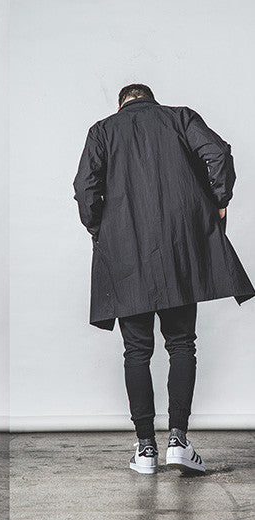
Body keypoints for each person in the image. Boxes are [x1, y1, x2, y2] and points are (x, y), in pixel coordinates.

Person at [73, 84, 254, 475]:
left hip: (125, 253)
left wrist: (101, 229)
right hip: (179, 249)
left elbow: (85, 188)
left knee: (136, 350)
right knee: (181, 343)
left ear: (122, 103)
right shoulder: (179, 118)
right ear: (149, 98)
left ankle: (145, 449)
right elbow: (218, 153)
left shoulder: (103, 130)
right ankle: (178, 441)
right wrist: (218, 201)